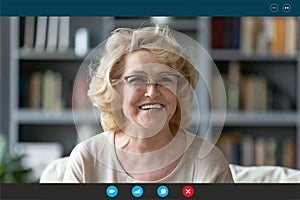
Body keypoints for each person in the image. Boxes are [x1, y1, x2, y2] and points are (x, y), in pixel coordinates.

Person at [63, 25, 234, 183]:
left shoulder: (209, 162)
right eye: (137, 79)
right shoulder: (86, 159)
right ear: (116, 89)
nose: (152, 92)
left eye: (165, 79)